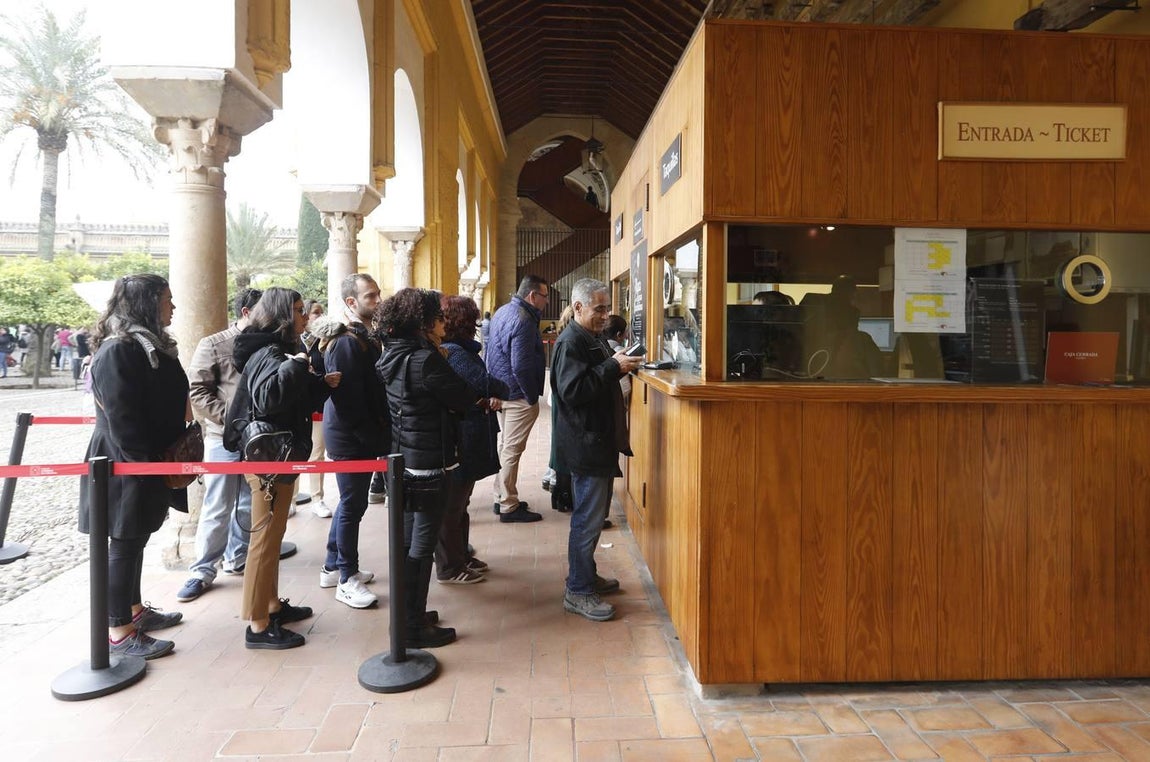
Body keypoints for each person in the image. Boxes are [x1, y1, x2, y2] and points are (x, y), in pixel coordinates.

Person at [79, 273, 188, 659]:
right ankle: (119, 631)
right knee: (123, 543)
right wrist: (145, 468)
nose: (172, 306)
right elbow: (124, 420)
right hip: (126, 463)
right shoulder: (119, 349)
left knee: (137, 537)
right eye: (166, 299)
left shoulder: (143, 345)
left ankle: (134, 611)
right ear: (146, 303)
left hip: (143, 460)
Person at [227, 287, 338, 649]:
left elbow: (290, 397)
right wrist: (295, 365)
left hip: (280, 454)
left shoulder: (276, 351)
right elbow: (269, 398)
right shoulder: (268, 352)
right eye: (298, 310)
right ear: (281, 315)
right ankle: (258, 625)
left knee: (272, 537)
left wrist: (317, 381)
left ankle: (272, 605)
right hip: (268, 459)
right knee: (263, 540)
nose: (305, 316)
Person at [377, 288, 481, 647]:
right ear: (422, 323)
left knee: (408, 545)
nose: (443, 323)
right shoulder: (426, 360)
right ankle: (411, 627)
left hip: (403, 460)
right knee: (420, 548)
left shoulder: (393, 354)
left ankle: (410, 615)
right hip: (428, 465)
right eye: (437, 317)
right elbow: (464, 397)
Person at [550, 278, 643, 622]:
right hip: (585, 443)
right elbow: (573, 391)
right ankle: (578, 591)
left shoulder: (590, 338)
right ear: (578, 307)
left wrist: (616, 360)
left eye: (607, 308)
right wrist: (612, 366)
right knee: (587, 521)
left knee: (594, 516)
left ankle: (585, 575)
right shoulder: (570, 342)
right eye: (599, 308)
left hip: (597, 442)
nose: (606, 315)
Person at [175, 288, 262, 603]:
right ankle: (202, 571)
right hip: (221, 437)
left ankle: (237, 557)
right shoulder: (213, 344)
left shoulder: (267, 344)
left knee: (248, 502)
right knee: (217, 505)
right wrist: (232, 419)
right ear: (246, 312)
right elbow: (197, 391)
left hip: (258, 438)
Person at [318, 274, 386, 609]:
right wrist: (369, 435)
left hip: (357, 434)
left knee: (352, 503)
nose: (377, 300)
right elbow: (347, 399)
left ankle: (333, 565)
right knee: (351, 505)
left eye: (377, 294)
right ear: (351, 302)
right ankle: (346, 577)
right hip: (349, 437)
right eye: (370, 296)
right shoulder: (346, 342)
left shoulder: (363, 336)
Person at [437, 295, 509, 584]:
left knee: (461, 502)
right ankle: (450, 566)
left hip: (468, 433)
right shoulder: (455, 353)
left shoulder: (458, 351)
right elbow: (487, 383)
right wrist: (491, 392)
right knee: (452, 506)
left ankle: (461, 556)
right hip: (462, 436)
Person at [485, 274, 549, 523]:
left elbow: (490, 352)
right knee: (511, 450)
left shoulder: (503, 311)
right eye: (544, 296)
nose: (545, 301)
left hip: (503, 390)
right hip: (516, 394)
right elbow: (521, 366)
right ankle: (508, 506)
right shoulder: (523, 320)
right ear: (532, 296)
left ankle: (500, 495)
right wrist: (531, 395)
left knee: (506, 448)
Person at [300, 300, 332, 518]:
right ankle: (291, 499)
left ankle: (317, 498)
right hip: (298, 406)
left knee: (317, 454)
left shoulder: (325, 342)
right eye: (315, 313)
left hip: (319, 405)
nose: (320, 316)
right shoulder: (294, 342)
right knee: (293, 455)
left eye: (322, 312)